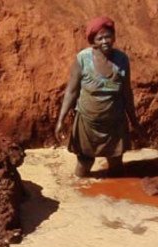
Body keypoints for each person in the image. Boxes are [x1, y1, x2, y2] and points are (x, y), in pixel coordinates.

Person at [55, 15, 140, 178]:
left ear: (113, 37)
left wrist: (134, 121)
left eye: (108, 36)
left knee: (116, 165)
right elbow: (71, 91)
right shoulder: (83, 59)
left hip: (114, 124)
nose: (105, 41)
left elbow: (126, 92)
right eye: (99, 38)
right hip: (88, 124)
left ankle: (114, 192)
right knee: (84, 164)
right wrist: (61, 120)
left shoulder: (122, 60)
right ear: (93, 41)